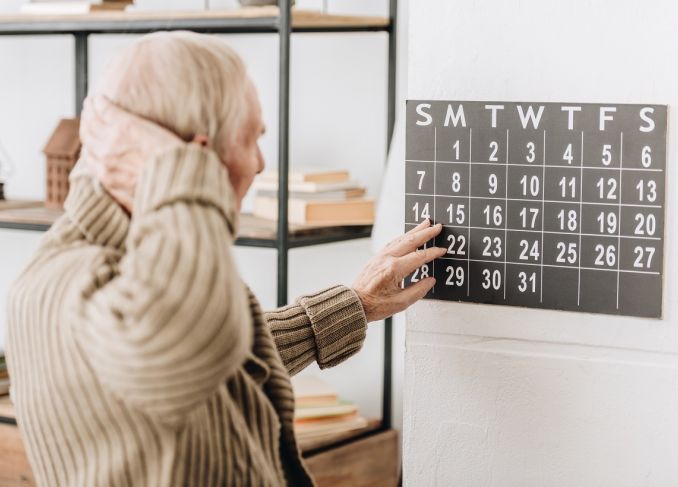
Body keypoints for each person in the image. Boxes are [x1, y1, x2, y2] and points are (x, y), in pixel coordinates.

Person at [6, 31, 445, 486]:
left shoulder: (146, 265)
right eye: (251, 138)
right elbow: (184, 350)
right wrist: (177, 167)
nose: (258, 163)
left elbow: (219, 361)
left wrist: (354, 304)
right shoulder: (60, 284)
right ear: (192, 157)